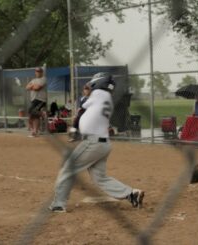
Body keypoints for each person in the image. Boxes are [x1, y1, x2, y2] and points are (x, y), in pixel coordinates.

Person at [49, 73, 144, 213]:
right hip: (102, 144)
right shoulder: (107, 98)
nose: (89, 85)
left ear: (99, 83)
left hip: (93, 142)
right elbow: (85, 109)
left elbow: (81, 105)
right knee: (100, 178)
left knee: (68, 168)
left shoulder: (99, 93)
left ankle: (58, 204)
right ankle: (131, 194)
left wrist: (86, 94)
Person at [25, 67, 47, 137]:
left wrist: (32, 86)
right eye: (37, 71)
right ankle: (35, 132)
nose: (38, 73)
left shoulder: (43, 79)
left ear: (42, 72)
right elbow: (26, 87)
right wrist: (33, 86)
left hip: (40, 100)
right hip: (33, 99)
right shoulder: (33, 80)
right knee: (34, 116)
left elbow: (37, 88)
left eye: (39, 71)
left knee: (30, 111)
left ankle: (43, 113)